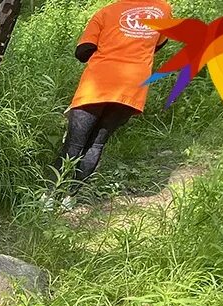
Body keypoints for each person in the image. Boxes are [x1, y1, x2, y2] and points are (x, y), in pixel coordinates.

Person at [58, 0, 171, 184]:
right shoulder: (163, 9)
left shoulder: (105, 13)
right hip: (132, 88)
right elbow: (158, 44)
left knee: (74, 144)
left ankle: (49, 196)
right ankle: (70, 197)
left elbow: (82, 52)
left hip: (97, 85)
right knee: (96, 144)